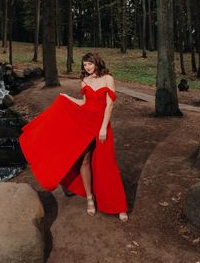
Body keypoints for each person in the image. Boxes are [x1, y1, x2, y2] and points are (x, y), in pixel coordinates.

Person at [19, 52, 128, 221]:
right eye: (85, 65)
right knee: (84, 160)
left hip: (101, 125)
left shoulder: (108, 78)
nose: (87, 67)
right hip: (84, 124)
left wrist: (104, 127)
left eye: (90, 64)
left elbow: (110, 104)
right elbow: (84, 103)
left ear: (96, 62)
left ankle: (118, 204)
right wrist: (67, 98)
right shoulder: (85, 81)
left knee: (107, 163)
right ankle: (90, 199)